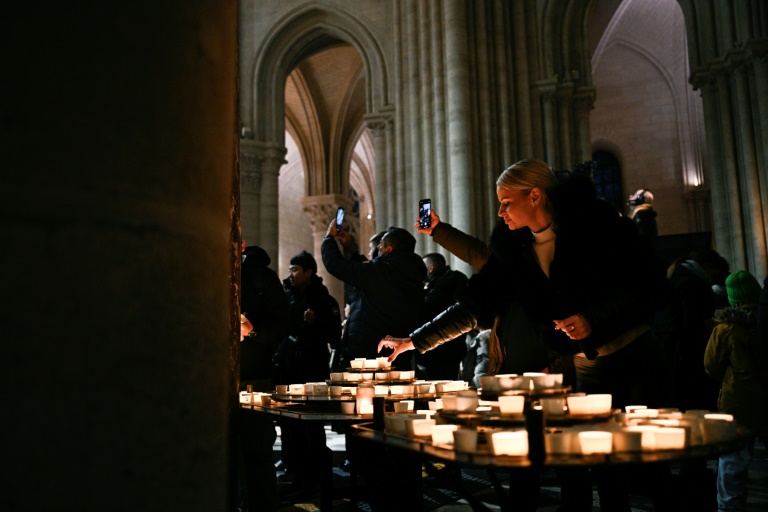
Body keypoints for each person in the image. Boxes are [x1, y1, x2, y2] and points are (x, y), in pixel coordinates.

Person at [379, 159, 675, 511]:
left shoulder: (597, 226)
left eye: (507, 202)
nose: (500, 212)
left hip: (634, 357)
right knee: (599, 464)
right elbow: (475, 304)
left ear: (535, 196)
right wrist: (414, 340)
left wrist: (594, 320)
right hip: (587, 367)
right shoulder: (515, 251)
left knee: (652, 465)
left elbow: (645, 288)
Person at [274, 250, 341, 499]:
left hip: (311, 369)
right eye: (290, 269)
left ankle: (315, 478)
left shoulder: (323, 300)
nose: (290, 274)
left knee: (311, 425)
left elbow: (334, 336)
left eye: (295, 270)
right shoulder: (286, 296)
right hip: (288, 368)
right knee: (289, 423)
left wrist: (316, 323)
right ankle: (295, 472)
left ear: (309, 272)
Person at [321, 224, 426, 371]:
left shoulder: (382, 272)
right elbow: (369, 274)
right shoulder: (411, 275)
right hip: (397, 354)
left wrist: (328, 238)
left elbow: (336, 265)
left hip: (370, 357)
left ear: (389, 249)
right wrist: (351, 250)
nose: (377, 250)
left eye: (380, 245)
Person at [704, 270, 767, 512]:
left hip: (738, 402)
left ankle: (729, 507)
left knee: (732, 460)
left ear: (731, 298)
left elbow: (711, 367)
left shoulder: (724, 329)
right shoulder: (764, 321)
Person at [238, 242, 290, 512]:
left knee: (256, 451)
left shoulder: (261, 278)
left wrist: (252, 331)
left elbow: (282, 324)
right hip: (206, 379)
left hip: (253, 378)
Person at [417, 252, 469, 380]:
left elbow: (428, 315)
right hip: (454, 348)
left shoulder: (439, 290)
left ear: (431, 268)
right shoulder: (454, 284)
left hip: (438, 349)